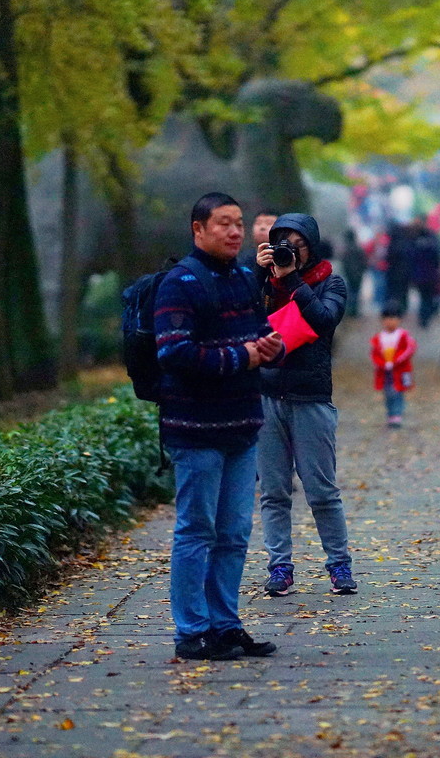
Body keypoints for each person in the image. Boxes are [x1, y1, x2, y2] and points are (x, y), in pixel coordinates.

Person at [154, 192, 284, 661]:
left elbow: (256, 334)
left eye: (238, 223)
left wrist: (269, 348)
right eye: (223, 224)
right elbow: (172, 351)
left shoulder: (247, 279)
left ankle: (225, 625)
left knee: (233, 535)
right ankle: (191, 632)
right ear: (198, 229)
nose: (234, 232)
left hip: (242, 426)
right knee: (196, 531)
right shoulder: (179, 283)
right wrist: (242, 356)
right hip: (195, 430)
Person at [254, 213, 356, 598]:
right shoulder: (262, 282)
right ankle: (279, 567)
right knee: (274, 492)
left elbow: (324, 319)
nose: (288, 249)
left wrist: (292, 279)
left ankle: (339, 566)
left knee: (322, 491)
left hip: (311, 397)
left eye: (296, 243)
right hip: (267, 397)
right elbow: (239, 318)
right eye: (282, 242)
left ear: (310, 245)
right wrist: (257, 274)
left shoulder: (331, 282)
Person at [370, 302, 417, 429]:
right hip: (385, 371)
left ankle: (397, 414)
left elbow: (409, 349)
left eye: (393, 318)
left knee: (398, 392)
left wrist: (396, 361)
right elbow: (375, 354)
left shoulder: (403, 336)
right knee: (388, 392)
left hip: (400, 371)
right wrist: (382, 364)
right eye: (387, 319)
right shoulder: (379, 338)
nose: (390, 321)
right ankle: (390, 414)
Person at [408, 218, 440, 328]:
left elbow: (411, 257)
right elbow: (437, 256)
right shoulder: (433, 240)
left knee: (423, 297)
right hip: (430, 274)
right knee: (428, 298)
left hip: (420, 274)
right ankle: (425, 317)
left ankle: (423, 317)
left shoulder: (415, 240)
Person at [340, 229, 368, 318]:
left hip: (349, 274)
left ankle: (350, 310)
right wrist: (361, 271)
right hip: (358, 274)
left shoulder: (346, 250)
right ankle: (354, 311)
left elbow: (344, 263)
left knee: (350, 292)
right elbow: (364, 262)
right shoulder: (358, 248)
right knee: (356, 292)